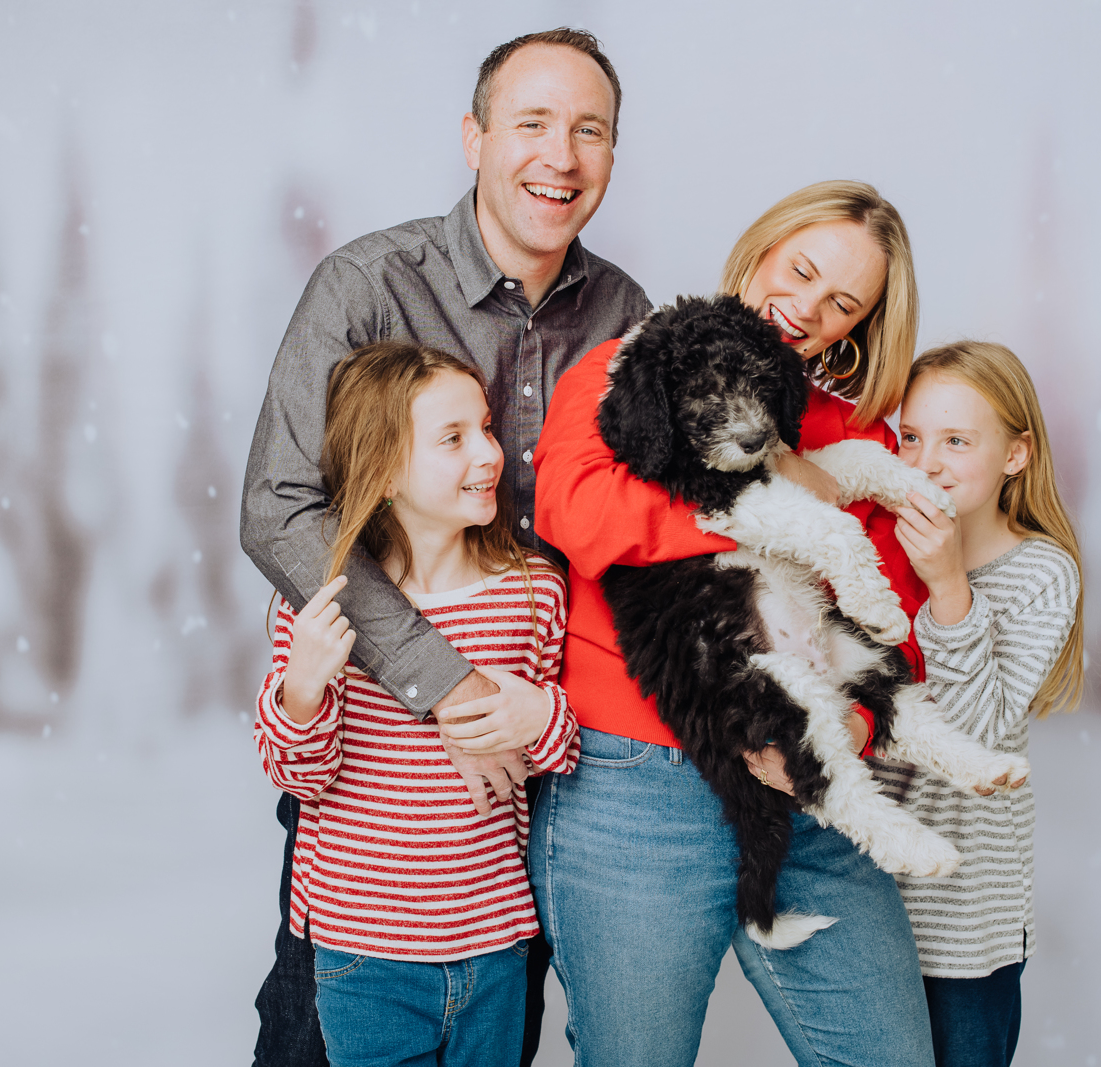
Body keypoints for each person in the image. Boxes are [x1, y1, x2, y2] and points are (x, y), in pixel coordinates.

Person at [239, 28, 649, 1066]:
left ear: (610, 156)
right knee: (312, 1040)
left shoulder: (625, 317)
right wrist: (448, 687)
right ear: (473, 137)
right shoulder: (368, 282)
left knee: (492, 1029)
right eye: (532, 124)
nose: (560, 155)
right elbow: (280, 506)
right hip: (373, 782)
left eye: (588, 131)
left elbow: (644, 533)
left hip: (531, 789)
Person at [530, 180, 938, 1067]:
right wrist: (767, 497)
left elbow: (894, 620)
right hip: (634, 785)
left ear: (855, 331)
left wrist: (855, 726)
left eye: (842, 304)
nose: (806, 307)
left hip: (806, 776)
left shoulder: (843, 432)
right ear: (761, 250)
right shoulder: (627, 368)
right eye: (800, 270)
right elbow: (577, 512)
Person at [254, 342, 580, 1067]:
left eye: (488, 428)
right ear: (385, 469)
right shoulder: (318, 600)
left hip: (496, 944)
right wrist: (303, 686)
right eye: (453, 439)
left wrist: (542, 718)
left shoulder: (532, 592)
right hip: (363, 952)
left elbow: (559, 756)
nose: (491, 454)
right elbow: (299, 776)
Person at [881, 341, 1085, 1067]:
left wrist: (947, 588)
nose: (926, 463)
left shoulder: (1039, 571)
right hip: (868, 901)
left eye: (957, 441)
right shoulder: (877, 547)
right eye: (910, 437)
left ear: (1015, 455)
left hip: (965, 927)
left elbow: (975, 739)